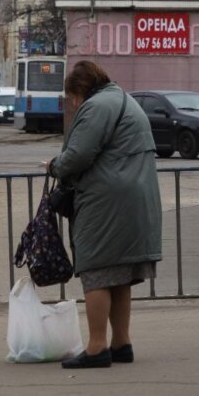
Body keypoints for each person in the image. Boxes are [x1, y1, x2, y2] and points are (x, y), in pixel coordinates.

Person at [47, 60, 161, 369]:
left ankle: (97, 347)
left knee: (96, 271)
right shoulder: (123, 98)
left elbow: (79, 155)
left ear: (81, 90)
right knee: (119, 274)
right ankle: (121, 343)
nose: (73, 104)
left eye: (73, 97)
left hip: (106, 201)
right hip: (133, 196)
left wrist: (56, 166)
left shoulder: (98, 106)